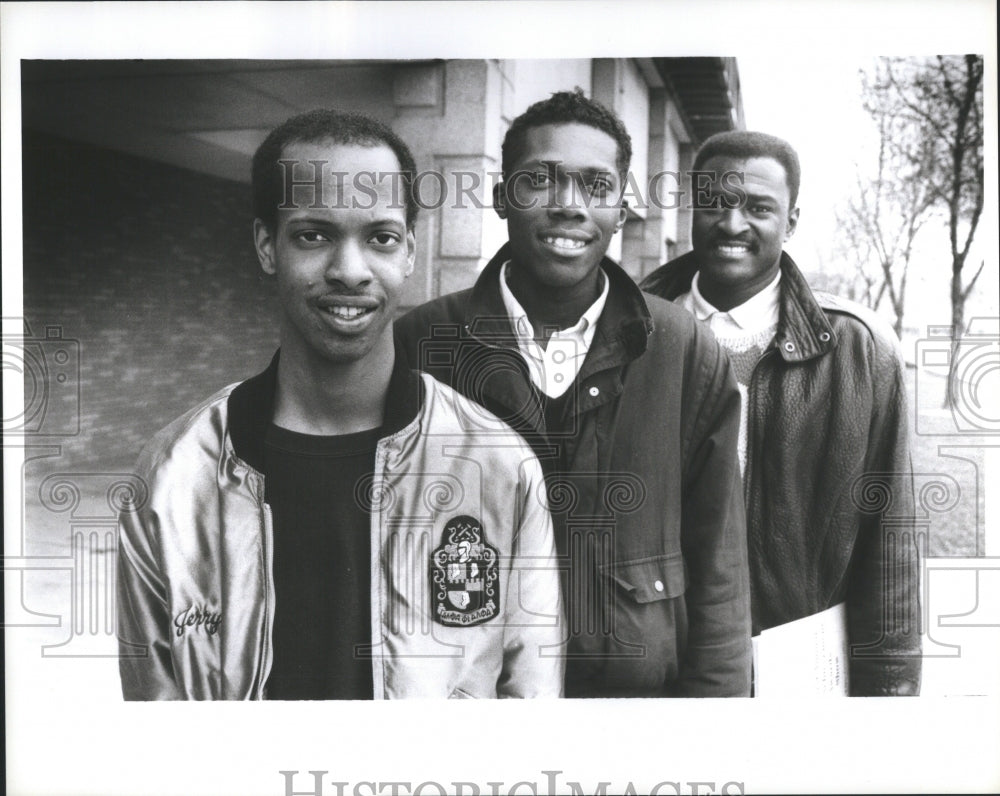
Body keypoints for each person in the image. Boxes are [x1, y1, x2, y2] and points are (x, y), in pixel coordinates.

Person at [116, 109, 563, 700]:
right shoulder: (173, 478)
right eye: (314, 234)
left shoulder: (499, 466)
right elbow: (157, 734)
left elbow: (528, 713)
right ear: (266, 245)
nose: (350, 271)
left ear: (408, 252)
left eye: (379, 237)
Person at [395, 90, 751, 697]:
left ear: (620, 206)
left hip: (633, 714)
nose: (569, 206)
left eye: (595, 184)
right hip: (465, 710)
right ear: (503, 194)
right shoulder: (421, 344)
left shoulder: (681, 348)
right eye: (540, 180)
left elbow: (719, 562)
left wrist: (712, 719)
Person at [641, 130, 921, 696]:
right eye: (716, 201)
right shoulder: (628, 331)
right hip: (653, 666)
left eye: (758, 208)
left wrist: (890, 700)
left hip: (798, 671)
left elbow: (889, 542)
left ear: (791, 222)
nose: (732, 223)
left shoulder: (859, 350)